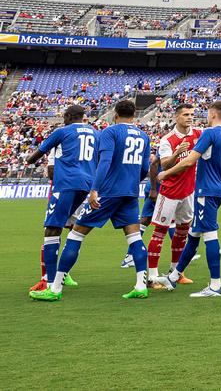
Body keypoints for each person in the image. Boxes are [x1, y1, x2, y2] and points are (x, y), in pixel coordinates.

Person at [31, 99, 151, 301]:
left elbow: (104, 162)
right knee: (134, 237)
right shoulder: (144, 136)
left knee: (76, 234)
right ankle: (141, 285)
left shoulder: (110, 132)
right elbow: (145, 168)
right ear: (135, 115)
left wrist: (95, 190)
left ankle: (55, 289)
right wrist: (132, 182)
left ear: (115, 114)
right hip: (130, 193)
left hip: (108, 192)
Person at [153, 100, 221, 298]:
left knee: (209, 234)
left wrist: (166, 174)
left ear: (213, 114)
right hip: (220, 188)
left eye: (208, 114)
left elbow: (190, 161)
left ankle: (215, 285)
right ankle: (173, 277)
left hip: (206, 190)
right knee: (194, 234)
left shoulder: (209, 133)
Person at [25, 104, 95, 293]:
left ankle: (49, 282)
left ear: (69, 115)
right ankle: (62, 274)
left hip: (66, 184)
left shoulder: (62, 132)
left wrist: (29, 160)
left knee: (52, 229)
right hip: (87, 185)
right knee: (74, 230)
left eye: (64, 115)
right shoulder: (94, 132)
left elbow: (35, 156)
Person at [147, 103, 201, 288]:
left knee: (182, 232)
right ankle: (152, 277)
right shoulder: (167, 140)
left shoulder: (198, 134)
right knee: (160, 232)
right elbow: (165, 166)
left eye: (192, 114)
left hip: (189, 191)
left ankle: (175, 272)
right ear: (177, 117)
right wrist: (177, 152)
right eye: (186, 114)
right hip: (170, 192)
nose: (190, 117)